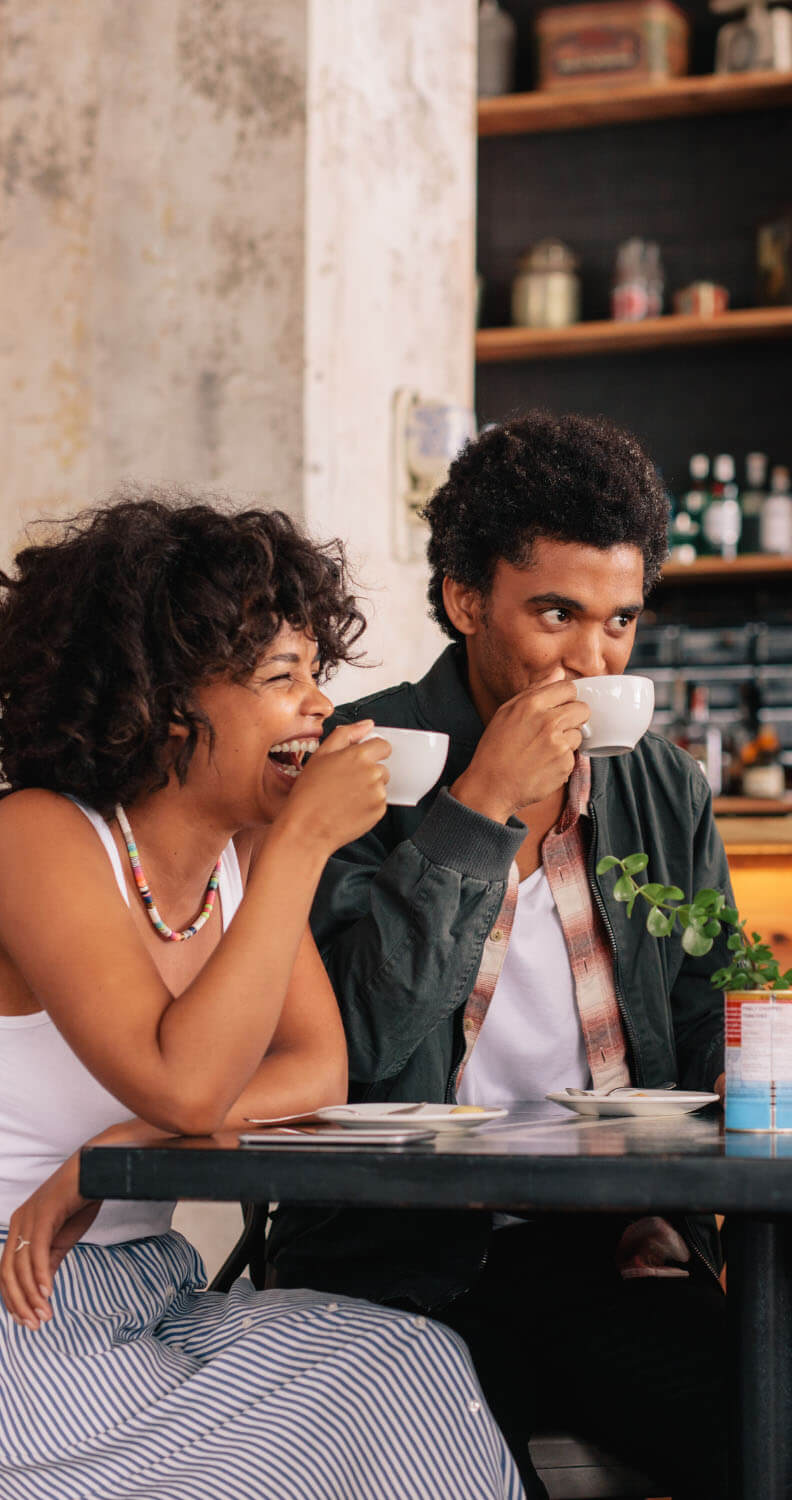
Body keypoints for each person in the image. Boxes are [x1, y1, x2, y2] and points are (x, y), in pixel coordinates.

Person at [265, 410, 792, 1500]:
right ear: (463, 599)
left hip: (611, 1261)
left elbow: (703, 1007)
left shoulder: (662, 788)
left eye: (621, 621)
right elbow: (353, 1043)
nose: (593, 659)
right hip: (400, 1268)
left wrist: (749, 1071)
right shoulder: (360, 763)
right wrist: (481, 802)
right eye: (557, 614)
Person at [0, 494, 522, 1500]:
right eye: (283, 678)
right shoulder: (38, 837)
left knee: (408, 1363)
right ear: (157, 700)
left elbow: (315, 1072)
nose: (320, 707)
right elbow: (188, 1087)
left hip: (148, 1298)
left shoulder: (242, 858)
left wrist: (116, 1155)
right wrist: (302, 844)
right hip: (21, 1316)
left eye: (317, 674)